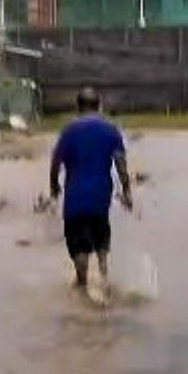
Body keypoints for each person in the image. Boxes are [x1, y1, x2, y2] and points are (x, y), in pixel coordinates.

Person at [50, 87, 133, 303]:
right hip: (100, 197)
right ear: (99, 105)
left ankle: (82, 285)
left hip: (75, 198)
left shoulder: (69, 130)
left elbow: (55, 163)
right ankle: (104, 279)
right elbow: (121, 164)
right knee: (101, 236)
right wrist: (127, 192)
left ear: (78, 106)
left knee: (79, 244)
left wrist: (53, 188)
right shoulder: (111, 130)